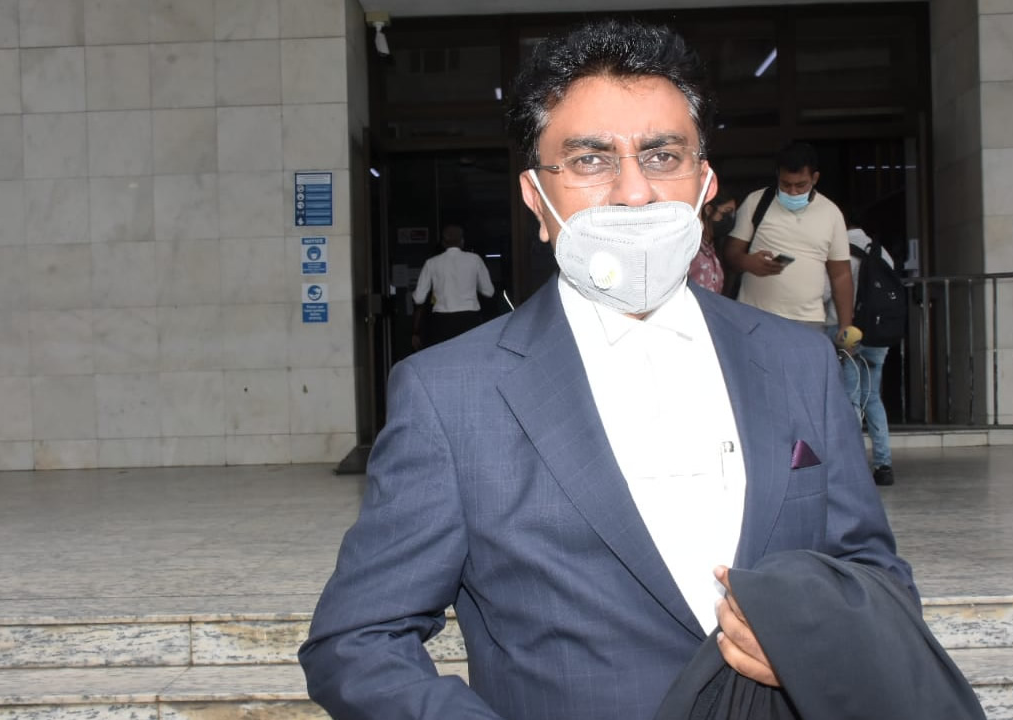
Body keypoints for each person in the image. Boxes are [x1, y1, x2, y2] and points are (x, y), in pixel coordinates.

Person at [299, 19, 915, 720]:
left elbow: (875, 577)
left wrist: (817, 646)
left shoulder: (798, 361)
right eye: (591, 160)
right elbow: (357, 641)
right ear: (536, 198)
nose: (633, 193)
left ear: (704, 182)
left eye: (662, 156)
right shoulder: (451, 397)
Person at [723, 142, 855, 348]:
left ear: (815, 178)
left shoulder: (831, 213)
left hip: (809, 322)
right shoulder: (756, 202)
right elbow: (730, 253)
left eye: (800, 185)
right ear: (777, 175)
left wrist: (845, 326)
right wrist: (748, 263)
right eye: (785, 184)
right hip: (754, 316)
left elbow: (841, 275)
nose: (792, 192)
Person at [825, 216, 897, 486]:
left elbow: (825, 292)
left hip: (845, 331)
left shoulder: (838, 251)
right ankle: (883, 464)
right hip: (878, 334)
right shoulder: (882, 253)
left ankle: (852, 464)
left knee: (851, 398)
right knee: (873, 398)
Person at [411, 223, 495, 349]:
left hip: (442, 321)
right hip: (469, 318)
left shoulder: (432, 263)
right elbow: (489, 291)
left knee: (444, 355)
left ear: (443, 243)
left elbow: (419, 298)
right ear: (462, 241)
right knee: (469, 354)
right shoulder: (475, 260)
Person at [688, 191, 737, 293]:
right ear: (709, 210)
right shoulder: (690, 247)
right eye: (727, 212)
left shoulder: (713, 250)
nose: (730, 218)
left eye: (732, 213)